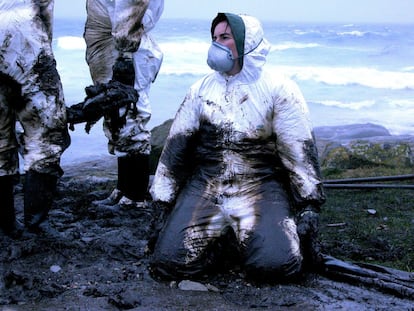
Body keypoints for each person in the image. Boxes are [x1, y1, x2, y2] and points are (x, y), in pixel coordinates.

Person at [149, 13, 326, 282]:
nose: (216, 44)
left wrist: (309, 203)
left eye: (225, 37)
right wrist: (162, 202)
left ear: (246, 43)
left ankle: (248, 236)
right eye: (214, 38)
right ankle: (223, 242)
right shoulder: (200, 90)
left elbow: (298, 151)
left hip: (260, 185)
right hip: (206, 185)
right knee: (167, 264)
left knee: (276, 266)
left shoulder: (279, 89)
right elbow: (176, 148)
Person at [84, 0, 164, 208]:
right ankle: (122, 189)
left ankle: (135, 196)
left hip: (130, 50)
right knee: (117, 120)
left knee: (131, 118)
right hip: (121, 49)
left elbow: (132, 10)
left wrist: (126, 56)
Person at [0, 0, 70, 236]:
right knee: (47, 131)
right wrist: (45, 45)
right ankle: (35, 223)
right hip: (19, 27)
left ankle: (6, 223)